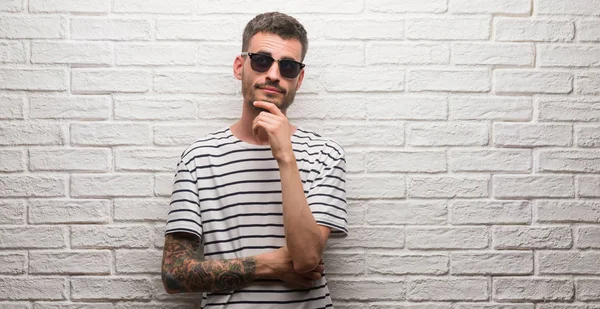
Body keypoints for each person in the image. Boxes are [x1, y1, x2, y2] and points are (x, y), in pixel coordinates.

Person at [161, 12, 348, 309]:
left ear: (298, 78)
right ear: (240, 66)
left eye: (287, 66)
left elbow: (306, 258)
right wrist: (267, 265)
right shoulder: (199, 157)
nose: (273, 74)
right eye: (262, 60)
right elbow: (174, 275)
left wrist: (285, 156)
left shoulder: (325, 154)